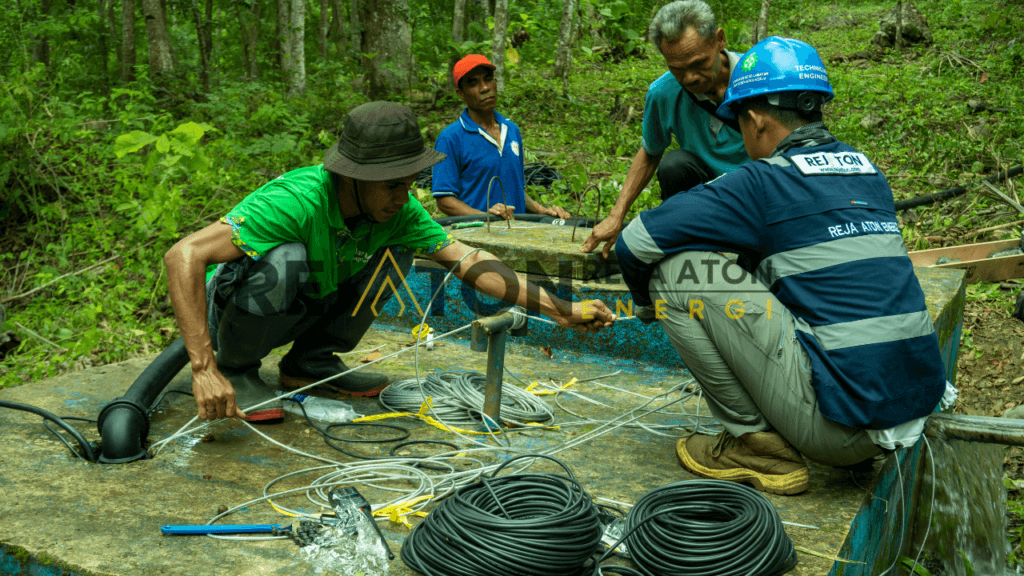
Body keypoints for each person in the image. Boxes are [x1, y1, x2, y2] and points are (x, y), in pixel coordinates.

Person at [615, 37, 949, 495]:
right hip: (914, 402)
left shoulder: (763, 180)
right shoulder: (867, 170)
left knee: (676, 274)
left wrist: (647, 307)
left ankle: (753, 445)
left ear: (753, 120)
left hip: (842, 430)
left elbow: (634, 244)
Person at [165, 101, 613, 424]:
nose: (404, 199)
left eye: (408, 184)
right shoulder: (295, 202)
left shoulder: (398, 212)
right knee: (288, 258)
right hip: (241, 310)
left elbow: (469, 259)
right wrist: (203, 367)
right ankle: (237, 369)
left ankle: (310, 361)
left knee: (396, 254)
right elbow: (183, 254)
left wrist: (561, 310)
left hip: (310, 302)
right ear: (353, 177)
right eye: (390, 187)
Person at [581, 0, 750, 258]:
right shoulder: (664, 93)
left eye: (699, 64)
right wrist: (616, 216)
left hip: (757, 188)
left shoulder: (759, 79)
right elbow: (650, 153)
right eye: (677, 69)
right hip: (707, 196)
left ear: (720, 40)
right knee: (674, 164)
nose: (690, 78)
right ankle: (692, 247)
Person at [432, 55, 570, 221]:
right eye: (473, 83)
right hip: (477, 237)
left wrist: (542, 210)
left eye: (488, 79)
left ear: (495, 83)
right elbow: (444, 201)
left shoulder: (511, 130)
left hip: (518, 233)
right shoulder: (450, 138)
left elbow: (516, 187)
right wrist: (486, 217)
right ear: (461, 94)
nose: (484, 88)